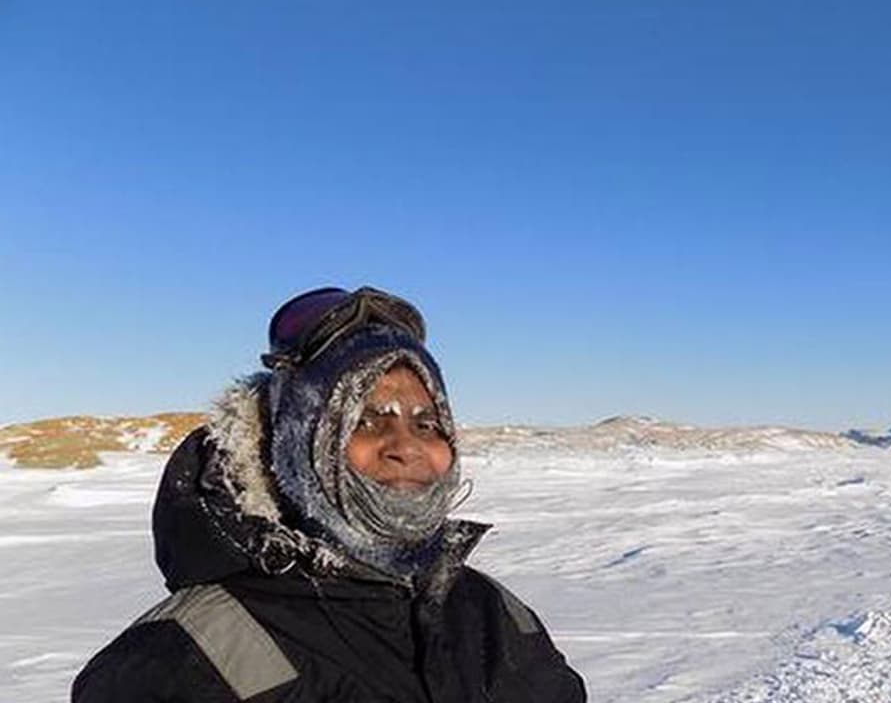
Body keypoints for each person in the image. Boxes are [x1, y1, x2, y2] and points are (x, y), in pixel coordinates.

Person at [73, 286, 587, 702]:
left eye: (427, 424)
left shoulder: (494, 613)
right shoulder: (184, 657)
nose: (406, 447)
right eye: (364, 421)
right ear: (295, 444)